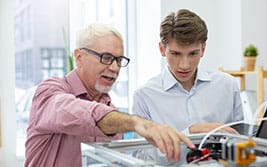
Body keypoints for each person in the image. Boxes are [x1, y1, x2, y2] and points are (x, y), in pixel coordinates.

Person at [24, 23, 195, 167]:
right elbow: (74, 111)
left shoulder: (111, 111)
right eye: (106, 57)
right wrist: (137, 123)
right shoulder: (49, 91)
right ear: (79, 57)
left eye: (119, 60)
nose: (114, 68)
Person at [133, 9, 243, 137]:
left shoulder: (228, 86)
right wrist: (189, 133)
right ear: (162, 49)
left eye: (193, 54)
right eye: (176, 54)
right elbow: (140, 154)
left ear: (203, 49)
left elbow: (241, 140)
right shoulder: (144, 96)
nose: (184, 65)